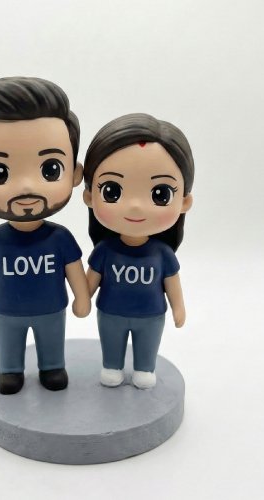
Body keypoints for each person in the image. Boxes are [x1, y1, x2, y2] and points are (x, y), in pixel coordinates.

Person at [0, 77, 90, 395]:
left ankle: (52, 365)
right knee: (8, 343)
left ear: (75, 174)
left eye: (50, 170)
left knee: (52, 342)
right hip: (6, 311)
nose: (26, 187)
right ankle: (10, 369)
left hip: (52, 309)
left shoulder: (60, 238)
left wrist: (82, 297)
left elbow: (74, 270)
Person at [83, 113, 194, 389]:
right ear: (89, 197)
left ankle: (145, 367)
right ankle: (112, 365)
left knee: (148, 344)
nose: (135, 206)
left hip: (152, 315)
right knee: (111, 343)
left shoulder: (162, 254)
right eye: (112, 191)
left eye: (160, 194)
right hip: (110, 312)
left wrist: (179, 307)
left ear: (184, 202)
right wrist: (82, 299)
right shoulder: (105, 250)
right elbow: (90, 282)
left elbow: (172, 284)